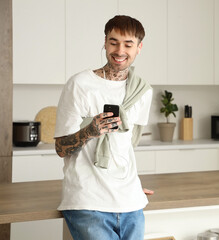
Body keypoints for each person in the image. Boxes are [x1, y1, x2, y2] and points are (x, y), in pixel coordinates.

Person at [54, 15, 154, 240]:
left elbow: (125, 147)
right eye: (114, 42)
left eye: (128, 44)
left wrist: (132, 185)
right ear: (105, 42)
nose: (120, 50)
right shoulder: (80, 85)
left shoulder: (142, 91)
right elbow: (61, 148)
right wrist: (90, 131)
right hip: (88, 201)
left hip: (130, 202)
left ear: (139, 48)